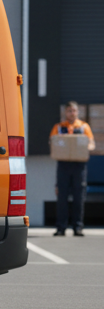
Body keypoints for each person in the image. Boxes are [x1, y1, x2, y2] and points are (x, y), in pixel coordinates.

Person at [51, 101, 95, 237]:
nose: (72, 113)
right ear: (65, 112)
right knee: (62, 197)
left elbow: (91, 144)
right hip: (63, 165)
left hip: (79, 166)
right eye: (69, 111)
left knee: (79, 197)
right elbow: (52, 142)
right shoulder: (58, 127)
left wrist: (84, 148)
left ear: (77, 112)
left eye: (74, 111)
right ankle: (61, 227)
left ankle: (78, 227)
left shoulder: (83, 127)